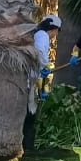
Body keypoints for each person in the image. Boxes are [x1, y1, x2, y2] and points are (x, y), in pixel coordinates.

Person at [23, 13, 60, 151]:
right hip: (27, 80)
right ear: (54, 29)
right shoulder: (43, 35)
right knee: (29, 113)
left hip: (31, 78)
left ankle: (27, 144)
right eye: (57, 32)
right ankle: (27, 146)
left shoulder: (38, 34)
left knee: (30, 112)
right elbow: (39, 53)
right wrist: (45, 66)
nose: (56, 35)